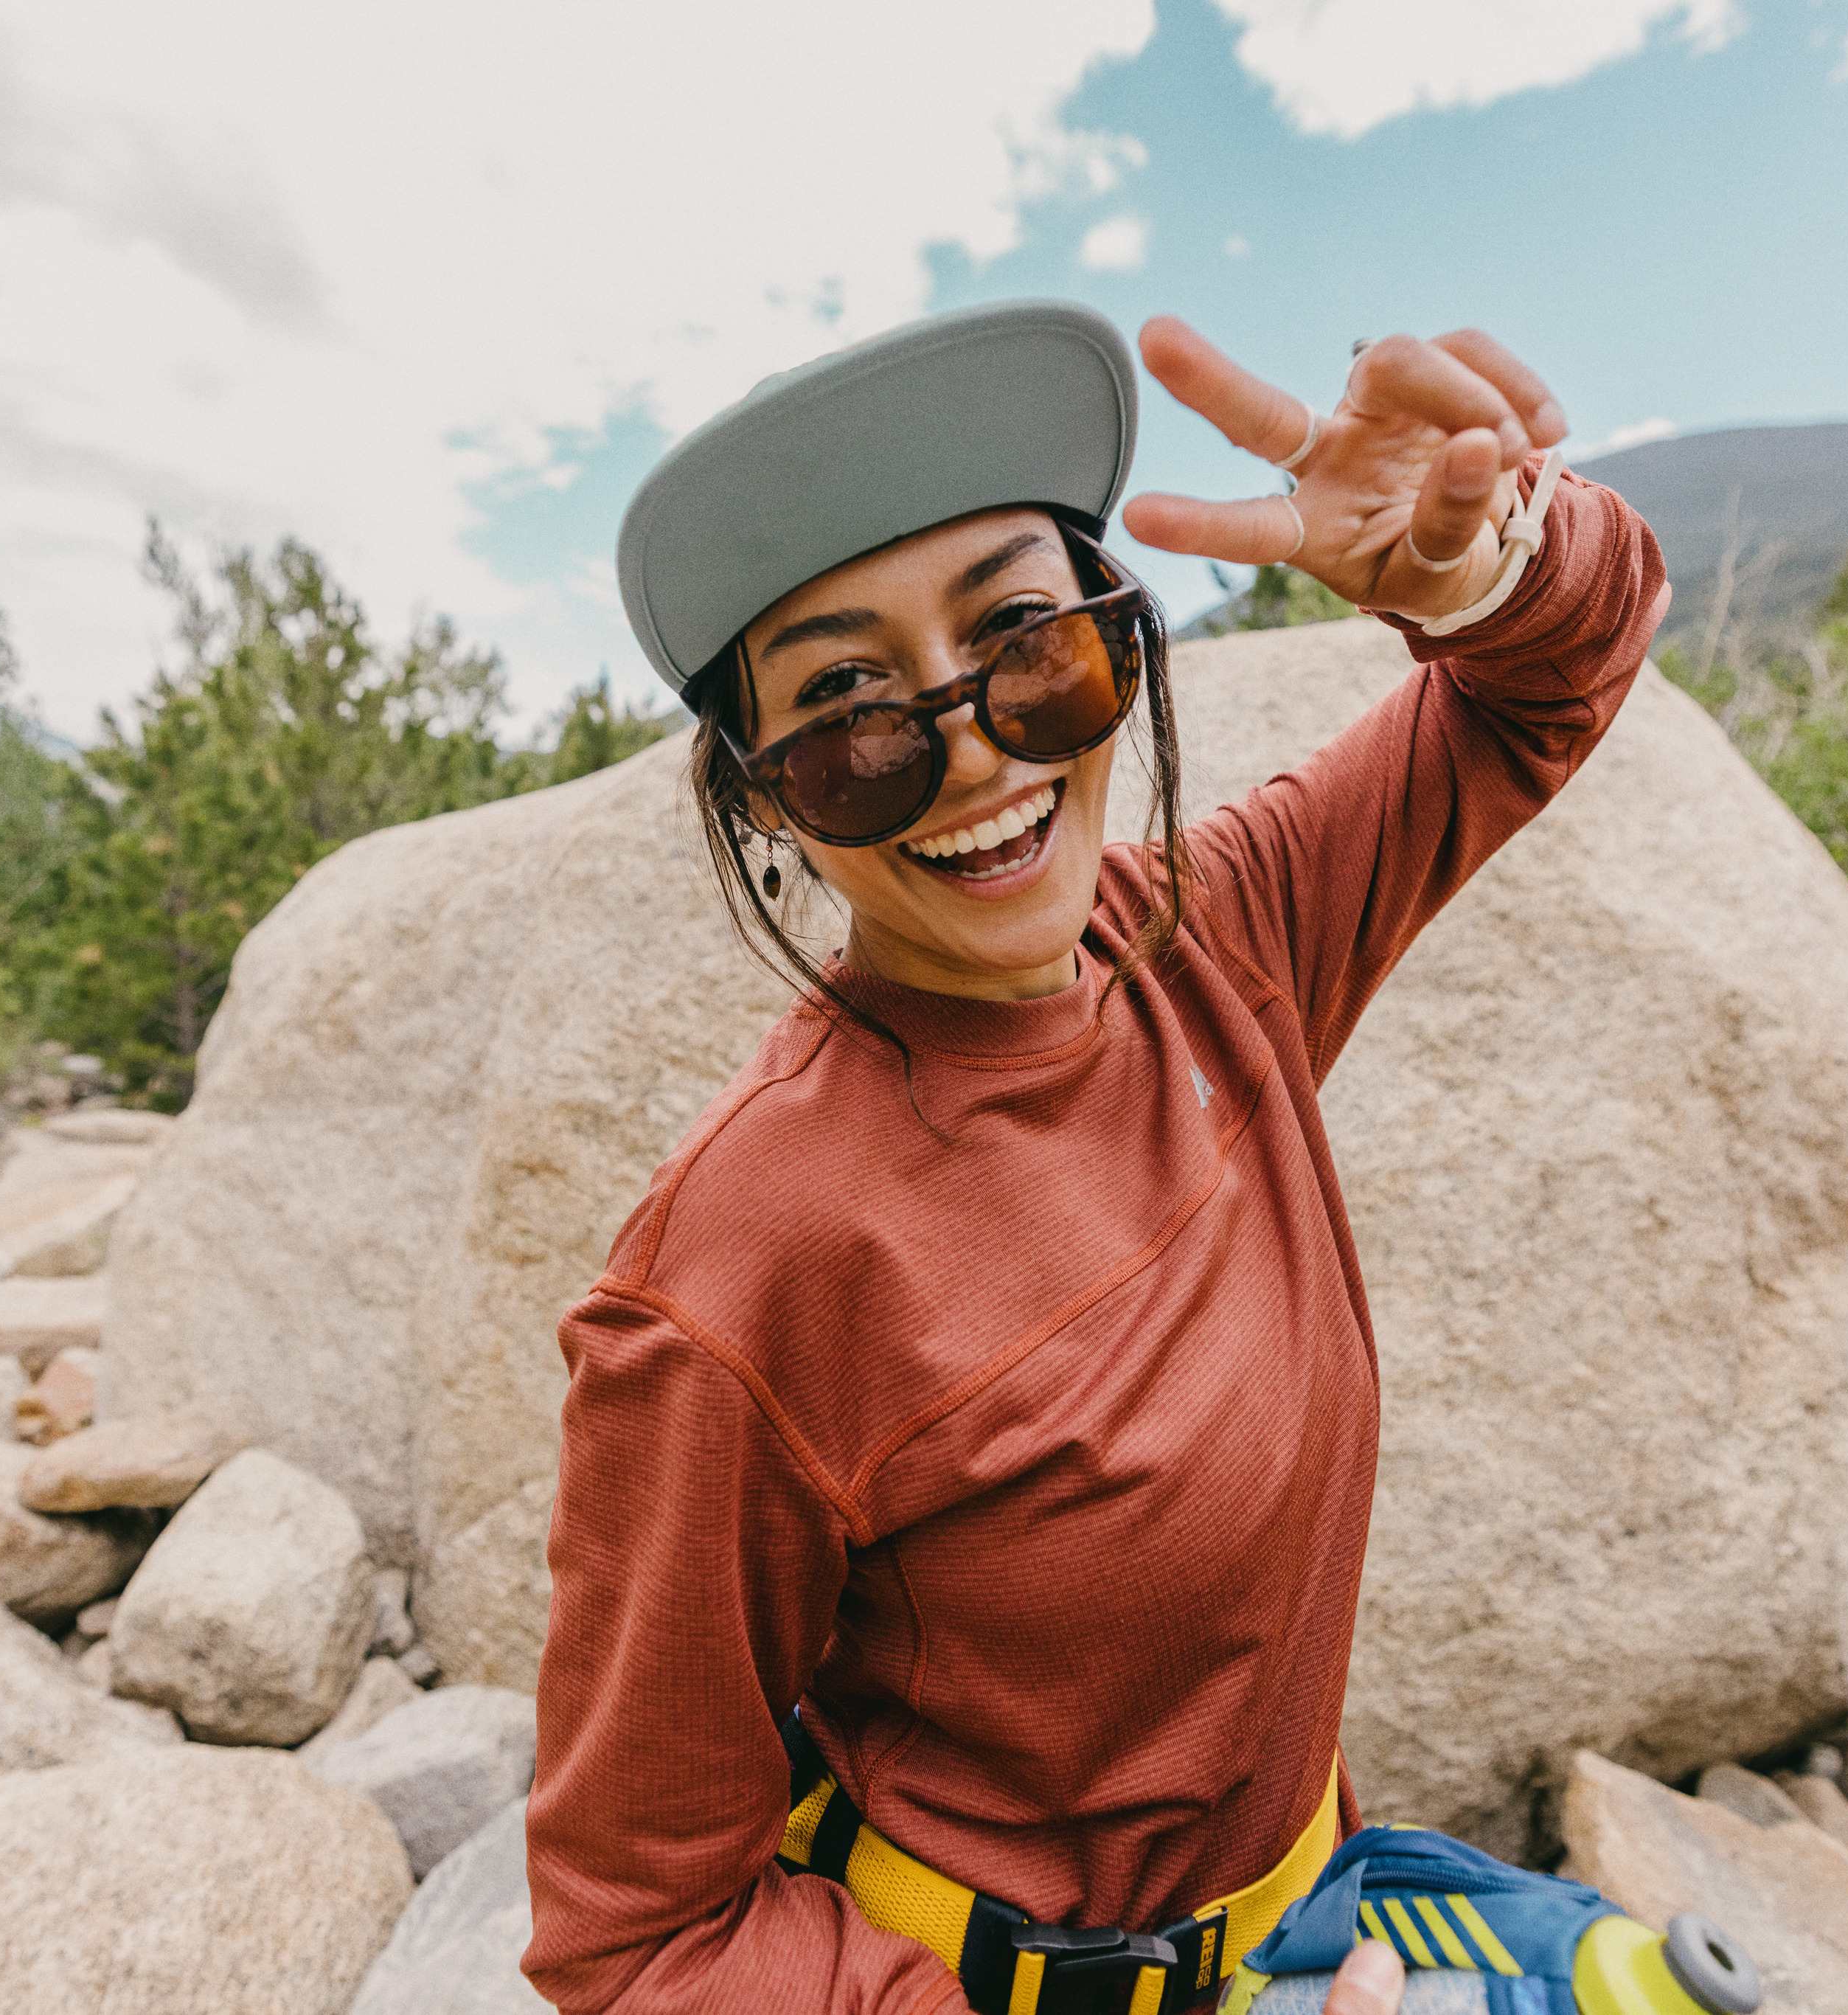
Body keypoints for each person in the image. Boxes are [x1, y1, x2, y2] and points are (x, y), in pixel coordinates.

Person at [521, 298, 1669, 2015]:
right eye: (847, 714)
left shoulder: (1221, 944)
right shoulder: (742, 1266)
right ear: (765, 798)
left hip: (1314, 1931)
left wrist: (1480, 571)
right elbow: (636, 1933)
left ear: (1119, 651)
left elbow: (1540, 688)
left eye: (1028, 646)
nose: (972, 743)